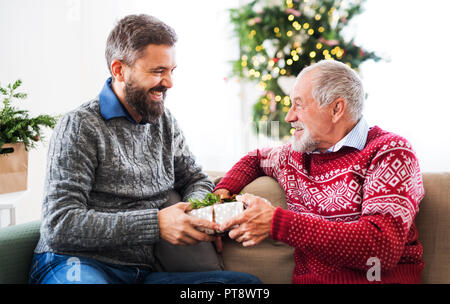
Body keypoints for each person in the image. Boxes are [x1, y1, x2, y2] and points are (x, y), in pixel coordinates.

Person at [29, 14, 260, 284]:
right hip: (75, 263)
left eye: (172, 71)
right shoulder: (80, 125)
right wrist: (157, 224)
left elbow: (194, 178)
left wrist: (196, 214)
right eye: (158, 71)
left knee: (243, 286)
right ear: (119, 70)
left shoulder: (164, 122)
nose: (170, 82)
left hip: (139, 274)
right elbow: (60, 224)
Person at [214, 60, 425, 284]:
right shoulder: (294, 156)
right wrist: (221, 195)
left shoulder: (389, 151)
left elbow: (381, 247)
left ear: (336, 109)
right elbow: (255, 158)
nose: (289, 117)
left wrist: (277, 222)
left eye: (299, 105)